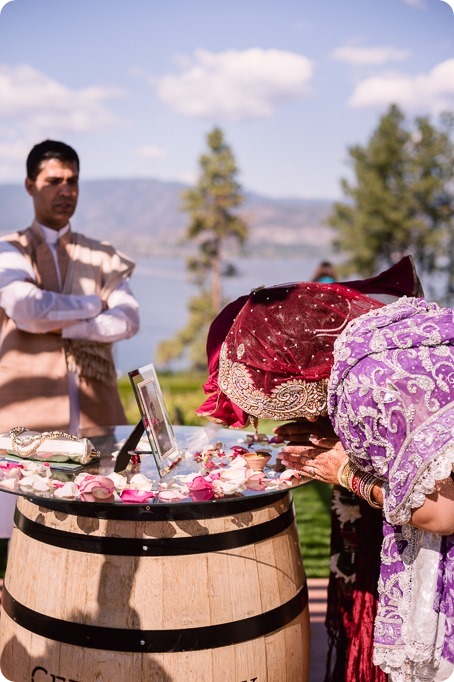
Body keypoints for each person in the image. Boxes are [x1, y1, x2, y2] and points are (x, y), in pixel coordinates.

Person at [196, 267, 453, 681]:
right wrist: (334, 434)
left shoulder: (368, 382)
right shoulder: (380, 342)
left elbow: (441, 515)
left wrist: (347, 473)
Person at [0, 139, 140, 537]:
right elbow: (25, 308)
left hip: (96, 410)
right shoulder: (9, 250)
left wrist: (67, 325)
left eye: (73, 181)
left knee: (95, 527)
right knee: (23, 529)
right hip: (24, 413)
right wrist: (93, 303)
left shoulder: (102, 255)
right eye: (54, 180)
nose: (66, 190)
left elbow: (128, 320)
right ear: (30, 185)